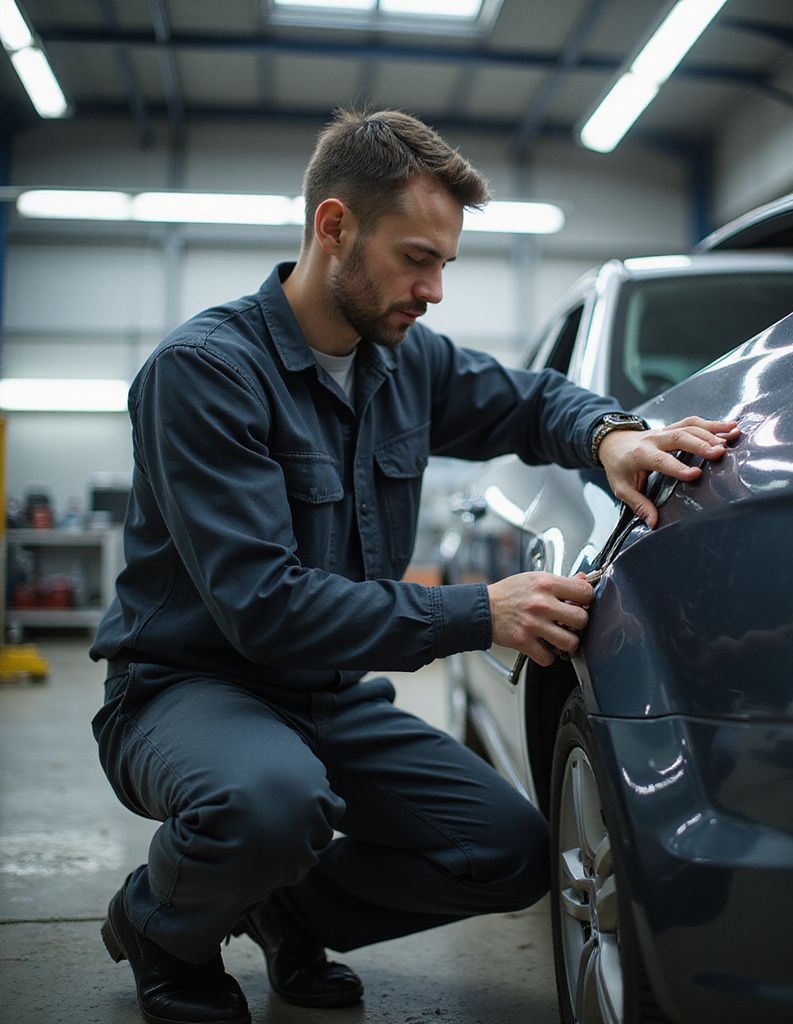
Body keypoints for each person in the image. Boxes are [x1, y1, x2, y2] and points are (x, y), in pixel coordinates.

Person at [90, 107, 739, 1024]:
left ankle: (283, 911)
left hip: (328, 695)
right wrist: (480, 612)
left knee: (509, 851)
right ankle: (162, 927)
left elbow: (529, 402)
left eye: (446, 263)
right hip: (192, 688)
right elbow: (263, 606)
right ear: (334, 226)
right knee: (268, 802)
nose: (433, 289)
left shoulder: (403, 362)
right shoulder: (205, 373)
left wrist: (612, 436)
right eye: (415, 258)